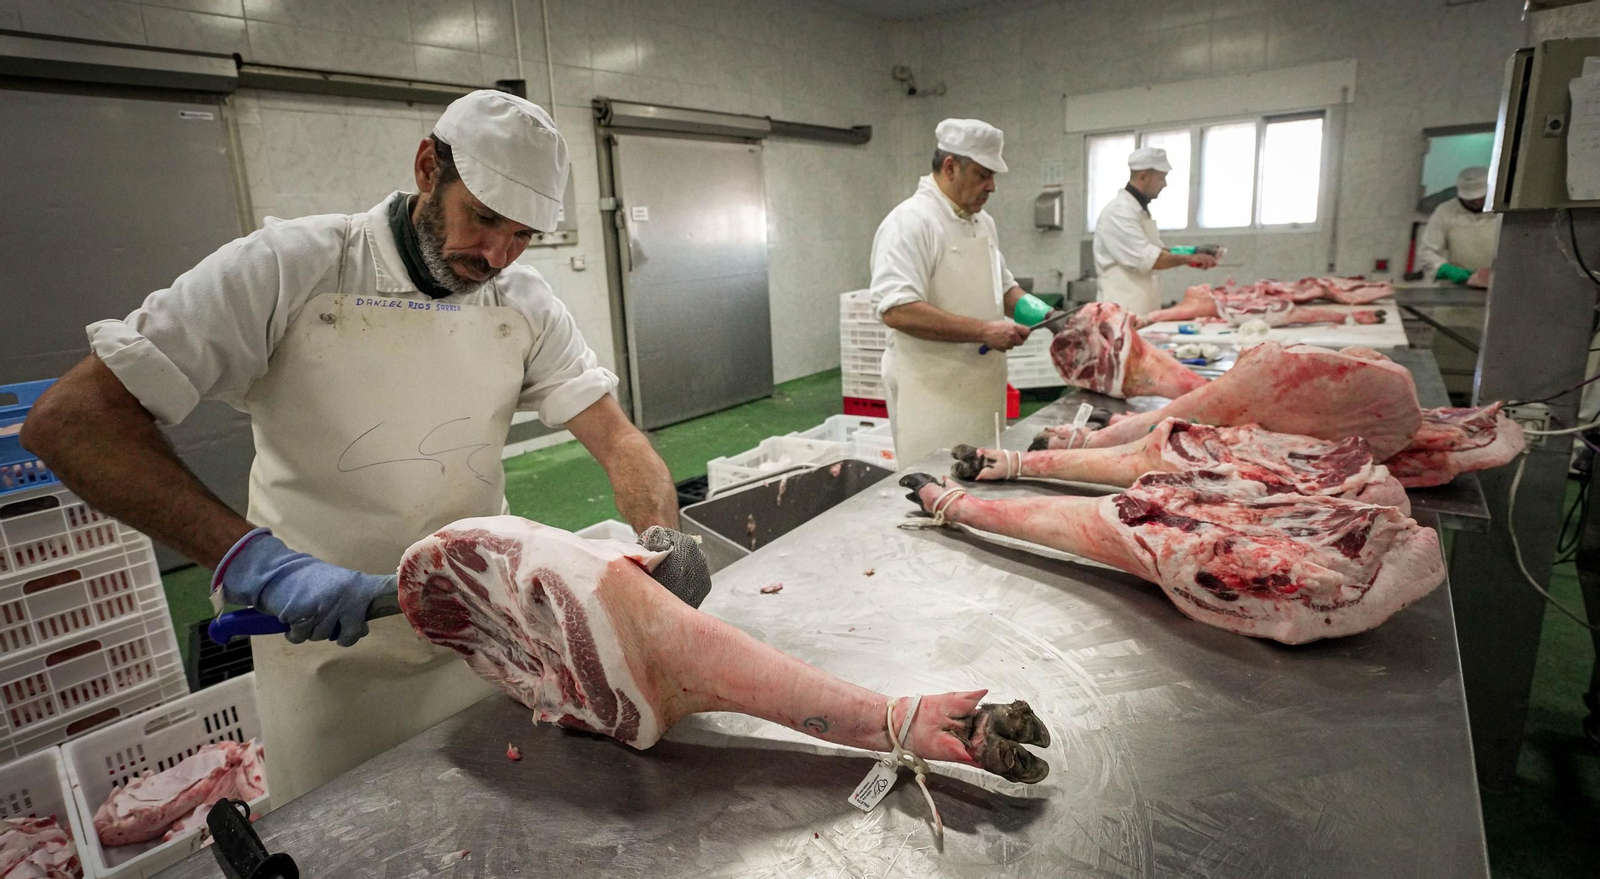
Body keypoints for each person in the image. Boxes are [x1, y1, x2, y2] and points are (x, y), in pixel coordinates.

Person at [20, 90, 707, 804]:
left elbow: (618, 436)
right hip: (323, 646)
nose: (498, 255)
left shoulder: (524, 303)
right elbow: (73, 419)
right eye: (484, 218)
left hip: (476, 632)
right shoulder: (293, 266)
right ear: (425, 168)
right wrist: (254, 562)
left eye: (525, 235)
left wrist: (662, 533)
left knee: (486, 818)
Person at [870, 118, 1053, 464]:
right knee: (936, 486)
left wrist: (1050, 316)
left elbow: (1006, 289)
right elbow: (897, 309)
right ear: (951, 167)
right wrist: (984, 331)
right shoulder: (910, 221)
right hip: (931, 391)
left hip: (981, 386)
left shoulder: (982, 222)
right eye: (983, 175)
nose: (992, 187)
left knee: (982, 479)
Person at [1092, 147, 1218, 314]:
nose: (1164, 184)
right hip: (1121, 312)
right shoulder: (1119, 212)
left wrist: (1195, 252)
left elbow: (1159, 251)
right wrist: (1188, 259)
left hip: (1141, 308)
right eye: (1161, 178)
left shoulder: (1139, 211)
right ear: (1143, 176)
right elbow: (1151, 259)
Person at [1418, 166, 1498, 288]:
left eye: (1482, 198)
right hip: (1456, 289)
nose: (1477, 203)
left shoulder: (1504, 212)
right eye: (1471, 200)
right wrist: (1446, 270)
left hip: (1499, 288)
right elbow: (1427, 251)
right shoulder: (1445, 211)